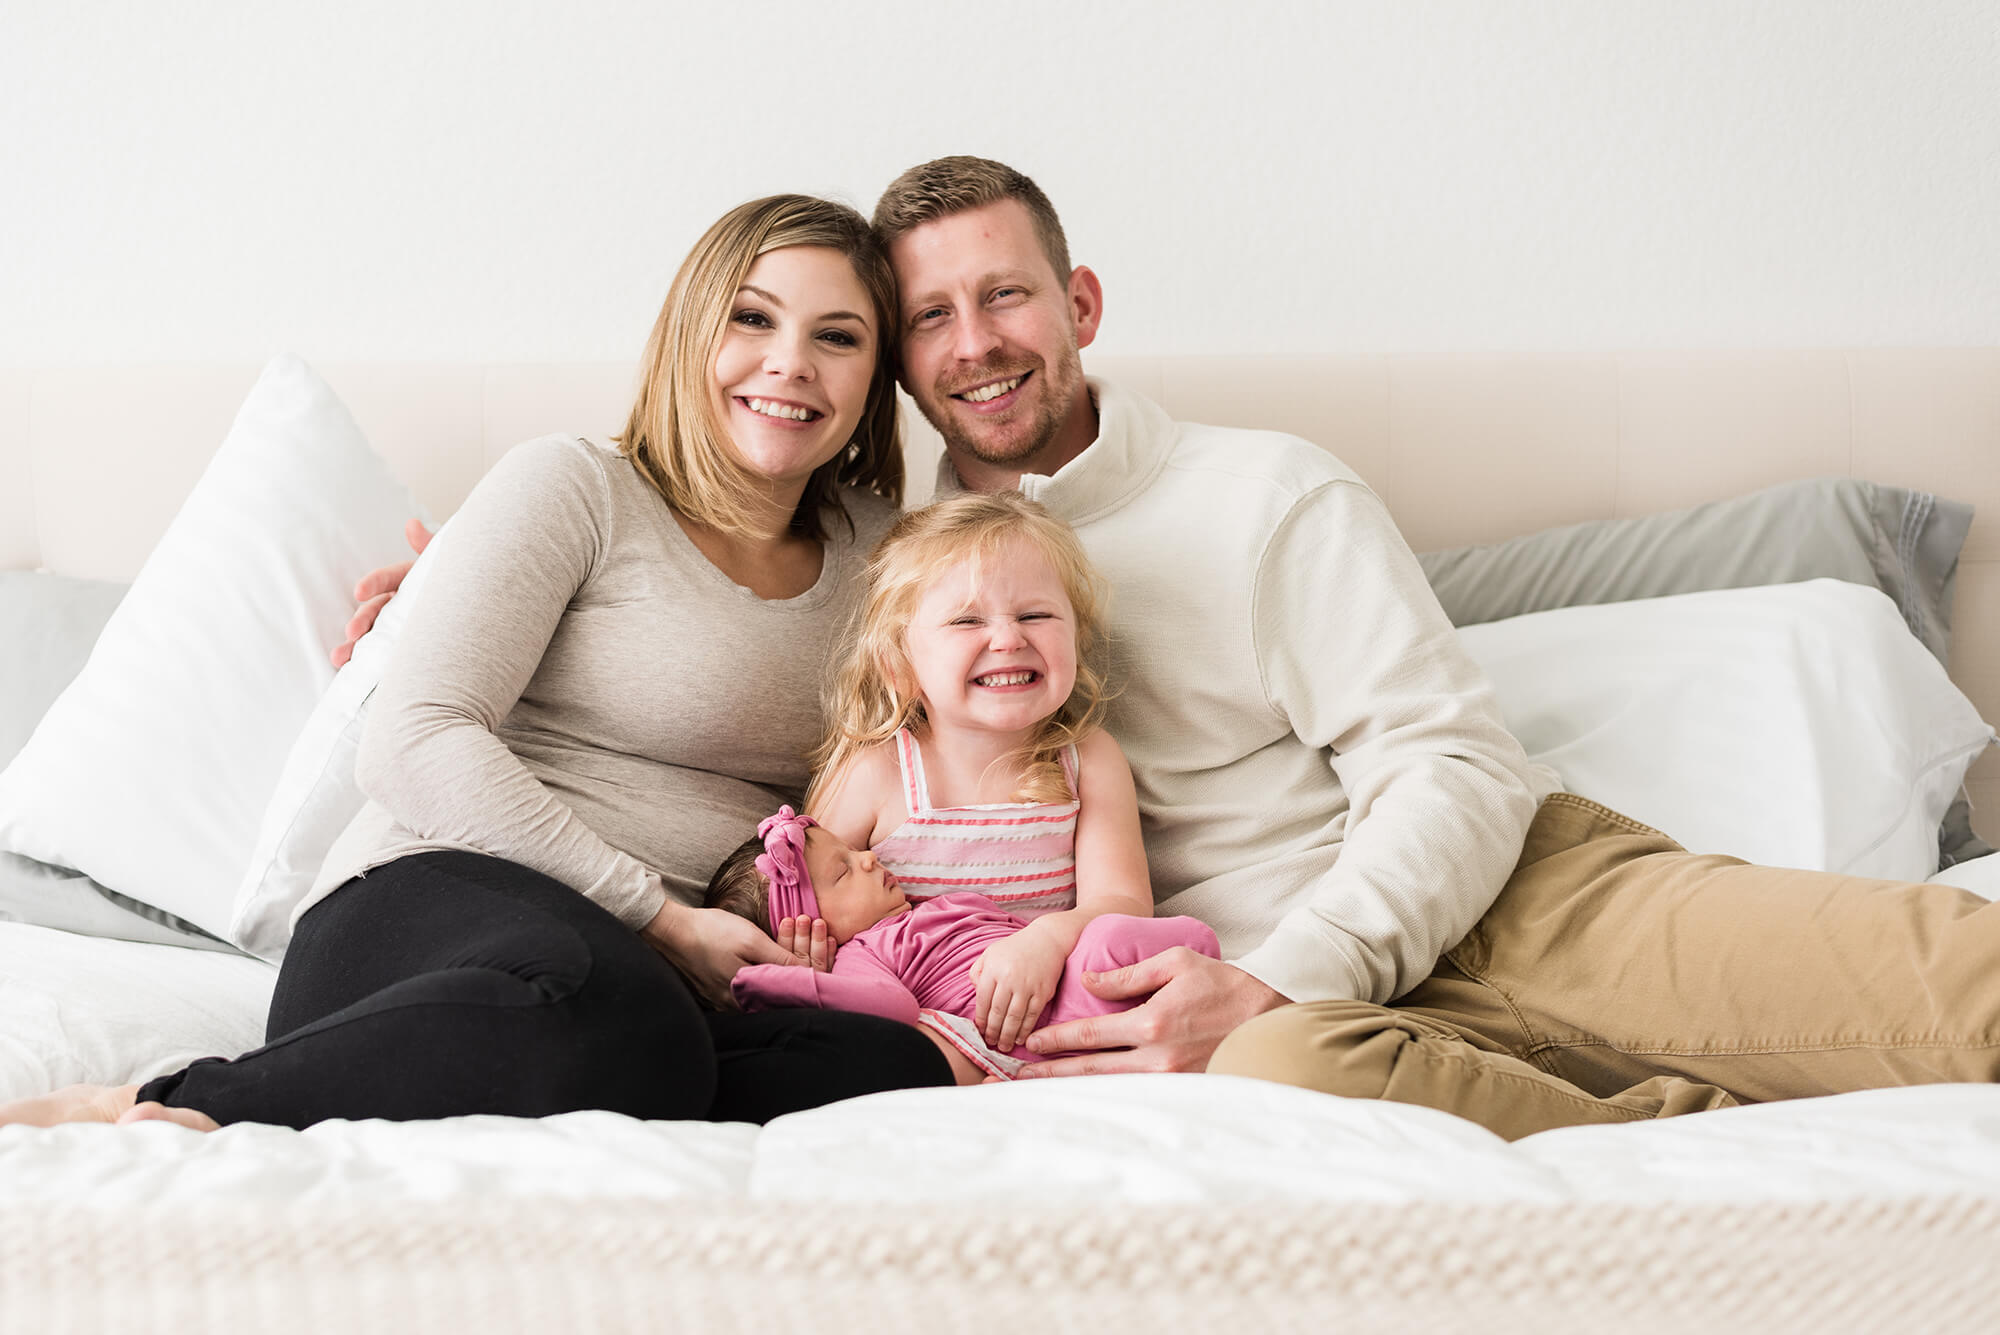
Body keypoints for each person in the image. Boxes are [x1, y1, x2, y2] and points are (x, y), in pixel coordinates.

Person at [340, 156, 2000, 1141]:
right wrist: (452, 589)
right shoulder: (900, 572)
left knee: (1953, 994)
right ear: (899, 371)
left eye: (1007, 298)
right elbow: (738, 698)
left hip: (1497, 904)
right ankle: (1729, 1153)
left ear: (1082, 305)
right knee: (1296, 1089)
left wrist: (1299, 963)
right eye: (927, 320)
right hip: (1247, 1024)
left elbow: (1455, 764)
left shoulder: (1266, 490)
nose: (974, 344)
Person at [0, 194, 960, 1133]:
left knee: (896, 1061)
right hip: (436, 904)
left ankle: (613, 1058)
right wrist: (661, 920)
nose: (789, 364)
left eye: (838, 337)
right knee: (624, 1021)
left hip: (671, 976)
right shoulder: (578, 487)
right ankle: (165, 1101)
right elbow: (412, 741)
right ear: (689, 336)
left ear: (877, 379)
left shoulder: (889, 559)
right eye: (753, 318)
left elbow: (962, 744)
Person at [706, 807, 1219, 1081]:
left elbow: (1011, 931)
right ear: (812, 924)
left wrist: (1043, 944)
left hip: (1058, 971)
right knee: (1116, 940)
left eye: (853, 849)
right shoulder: (863, 955)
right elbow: (893, 1008)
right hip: (1026, 1019)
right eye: (842, 872)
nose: (866, 858)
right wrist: (794, 980)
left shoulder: (940, 905)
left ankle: (1171, 1001)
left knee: (1176, 941)